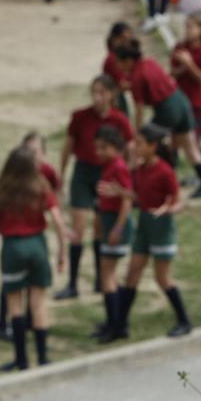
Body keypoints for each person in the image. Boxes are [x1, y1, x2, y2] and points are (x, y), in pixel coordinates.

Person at [0, 146, 67, 370]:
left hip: (12, 247)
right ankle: (42, 358)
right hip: (37, 245)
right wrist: (62, 251)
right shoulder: (40, 187)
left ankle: (21, 360)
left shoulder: (0, 191)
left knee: (15, 305)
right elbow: (58, 220)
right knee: (39, 303)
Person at [56, 74, 135, 299]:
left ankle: (102, 279)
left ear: (111, 95)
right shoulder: (80, 117)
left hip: (107, 175)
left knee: (100, 228)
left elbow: (130, 147)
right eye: (94, 92)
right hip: (83, 173)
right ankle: (72, 283)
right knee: (78, 229)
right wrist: (61, 175)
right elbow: (68, 146)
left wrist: (127, 175)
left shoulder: (119, 120)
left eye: (102, 92)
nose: (97, 97)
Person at [113, 123, 192, 338]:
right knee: (132, 273)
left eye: (139, 144)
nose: (135, 147)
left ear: (153, 146)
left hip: (161, 228)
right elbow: (138, 197)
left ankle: (184, 320)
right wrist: (122, 193)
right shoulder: (139, 170)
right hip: (144, 226)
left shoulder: (165, 171)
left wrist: (166, 210)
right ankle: (120, 325)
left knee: (162, 277)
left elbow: (177, 201)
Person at [114, 38, 201, 202]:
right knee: (191, 150)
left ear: (128, 61)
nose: (118, 67)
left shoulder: (136, 76)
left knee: (143, 149)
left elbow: (139, 110)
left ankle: (139, 190)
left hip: (167, 109)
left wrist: (137, 135)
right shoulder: (149, 62)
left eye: (119, 62)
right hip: (181, 101)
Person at [90, 126, 134, 342]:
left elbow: (127, 200)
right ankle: (114, 322)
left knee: (107, 275)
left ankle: (115, 325)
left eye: (103, 148)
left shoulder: (118, 167)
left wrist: (117, 228)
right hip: (108, 223)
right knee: (110, 275)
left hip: (115, 225)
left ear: (116, 148)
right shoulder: (110, 166)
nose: (99, 152)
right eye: (97, 148)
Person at [171, 16, 201, 137]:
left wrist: (189, 64)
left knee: (195, 140)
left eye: (191, 27)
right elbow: (172, 73)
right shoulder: (180, 47)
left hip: (197, 102)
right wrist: (184, 66)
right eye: (186, 27)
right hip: (180, 99)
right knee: (177, 136)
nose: (188, 31)